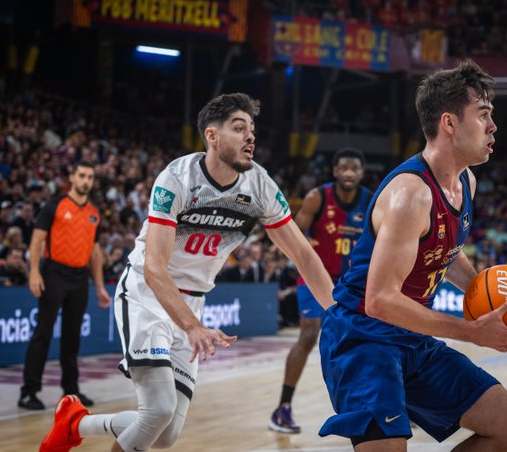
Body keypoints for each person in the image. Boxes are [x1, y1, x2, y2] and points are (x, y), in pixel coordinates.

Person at [39, 93, 336, 452]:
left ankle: (76, 423)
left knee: (165, 434)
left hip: (192, 301)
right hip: (147, 294)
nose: (250, 137)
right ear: (212, 136)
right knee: (158, 410)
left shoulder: (260, 185)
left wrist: (337, 314)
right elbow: (154, 269)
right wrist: (192, 328)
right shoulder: (176, 179)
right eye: (239, 128)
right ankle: (75, 423)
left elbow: (303, 255)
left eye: (252, 130)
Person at [318, 60, 507, 451]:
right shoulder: (411, 194)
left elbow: (446, 252)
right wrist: (471, 331)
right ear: (449, 123)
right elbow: (379, 300)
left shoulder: (465, 180)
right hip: (362, 339)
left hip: (411, 336)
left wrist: (486, 295)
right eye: (483, 115)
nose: (492, 127)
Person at [270, 147, 371, 434]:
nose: (349, 172)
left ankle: (382, 406)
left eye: (355, 168)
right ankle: (282, 409)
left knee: (366, 340)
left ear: (361, 173)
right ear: (336, 172)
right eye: (344, 168)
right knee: (309, 333)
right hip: (315, 275)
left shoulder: (370, 202)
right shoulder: (318, 197)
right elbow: (294, 232)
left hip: (349, 282)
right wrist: (304, 243)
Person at [19, 161, 111, 410]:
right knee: (43, 333)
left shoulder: (94, 212)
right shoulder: (55, 205)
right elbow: (37, 240)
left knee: (72, 336)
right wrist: (34, 272)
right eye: (81, 175)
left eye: (90, 177)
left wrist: (100, 286)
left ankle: (71, 391)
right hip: (54, 273)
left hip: (80, 278)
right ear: (72, 177)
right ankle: (29, 391)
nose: (86, 181)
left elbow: (95, 253)